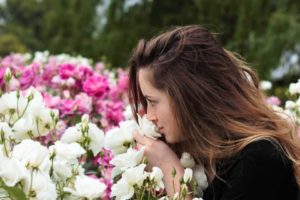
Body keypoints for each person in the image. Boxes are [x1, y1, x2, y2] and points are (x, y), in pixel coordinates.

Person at [128, 25, 300, 200]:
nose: (149, 115)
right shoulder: (203, 159)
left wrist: (168, 169)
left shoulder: (259, 159)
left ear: (190, 97)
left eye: (152, 102)